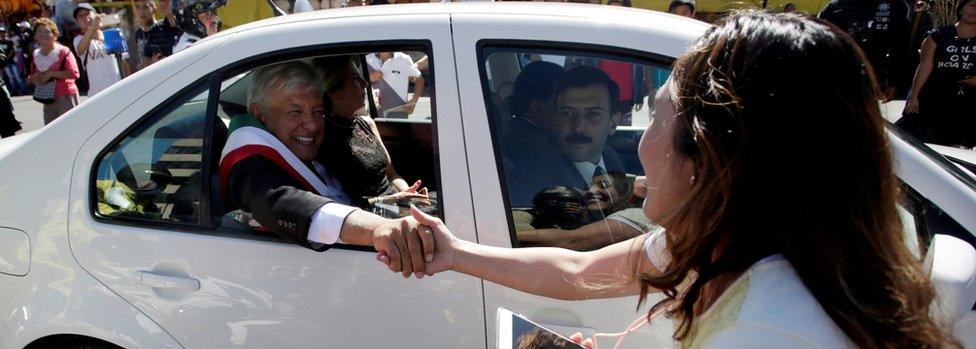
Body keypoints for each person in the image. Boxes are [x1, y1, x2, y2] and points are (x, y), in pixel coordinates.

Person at [386, 11, 958, 348]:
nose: (639, 147)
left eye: (656, 117)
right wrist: (455, 253)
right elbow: (578, 270)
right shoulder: (742, 244)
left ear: (707, 155)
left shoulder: (774, 330)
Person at [220, 61, 434, 277]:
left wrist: (395, 201)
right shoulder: (248, 164)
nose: (312, 125)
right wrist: (380, 229)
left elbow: (345, 199)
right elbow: (281, 200)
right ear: (259, 115)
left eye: (317, 112)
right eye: (295, 112)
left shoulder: (307, 153)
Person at [314, 56, 427, 209]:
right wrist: (392, 200)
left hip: (396, 205)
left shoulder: (367, 123)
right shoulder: (323, 137)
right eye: (355, 79)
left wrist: (410, 195)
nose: (364, 83)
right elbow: (339, 204)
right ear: (335, 93)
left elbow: (392, 175)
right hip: (373, 217)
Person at [507, 66, 626, 207]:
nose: (578, 127)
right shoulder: (533, 176)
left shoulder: (610, 157)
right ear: (555, 119)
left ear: (613, 124)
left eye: (593, 114)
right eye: (568, 113)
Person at [899, 0, 976, 148]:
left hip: (966, 103)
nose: (975, 10)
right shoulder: (939, 35)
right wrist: (914, 97)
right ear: (961, 9)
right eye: (971, 5)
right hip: (935, 98)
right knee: (927, 144)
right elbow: (925, 66)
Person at [818, 0, 911, 102]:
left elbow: (899, 47)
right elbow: (818, 39)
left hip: (872, 76)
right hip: (839, 74)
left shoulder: (894, 6)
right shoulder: (836, 5)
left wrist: (894, 82)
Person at [29, 18, 80, 124]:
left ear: (55, 35)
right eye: (40, 31)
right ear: (35, 36)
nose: (43, 34)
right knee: (51, 131)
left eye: (47, 31)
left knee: (72, 126)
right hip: (47, 99)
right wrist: (35, 78)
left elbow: (74, 73)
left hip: (66, 96)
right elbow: (31, 77)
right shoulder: (36, 54)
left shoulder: (63, 51)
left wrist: (51, 74)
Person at [74, 3, 127, 97]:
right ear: (77, 23)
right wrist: (92, 28)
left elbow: (125, 63)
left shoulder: (112, 33)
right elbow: (80, 50)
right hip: (96, 95)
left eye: (87, 13)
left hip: (118, 89)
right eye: (80, 16)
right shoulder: (78, 39)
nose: (85, 18)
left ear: (95, 15)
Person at [365, 51, 424, 118]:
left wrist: (414, 100)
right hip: (372, 114)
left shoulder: (404, 59)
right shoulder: (367, 59)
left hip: (398, 115)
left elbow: (420, 79)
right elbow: (357, 83)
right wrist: (368, 78)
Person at [133, 0, 182, 70]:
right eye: (137, 7)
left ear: (154, 9)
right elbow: (141, 63)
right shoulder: (138, 34)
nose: (141, 12)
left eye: (145, 7)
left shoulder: (164, 26)